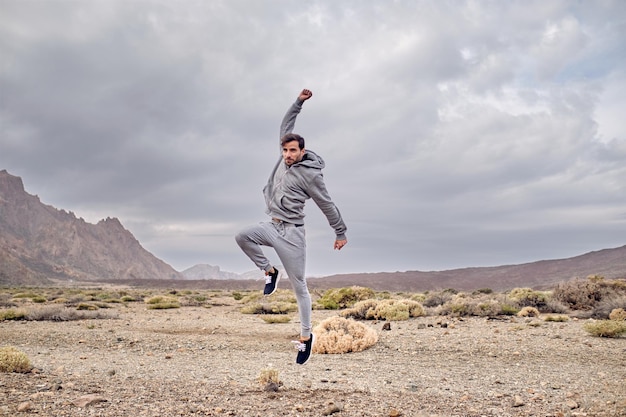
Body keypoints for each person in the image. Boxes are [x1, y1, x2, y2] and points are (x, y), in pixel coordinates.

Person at [235, 88, 348, 365]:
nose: (287, 155)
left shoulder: (311, 176)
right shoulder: (282, 157)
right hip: (272, 225)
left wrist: (340, 232)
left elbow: (327, 204)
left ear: (302, 151)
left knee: (300, 287)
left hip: (293, 234)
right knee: (242, 236)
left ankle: (306, 338)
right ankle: (270, 271)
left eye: (292, 151)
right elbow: (286, 125)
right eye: (284, 150)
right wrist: (298, 102)